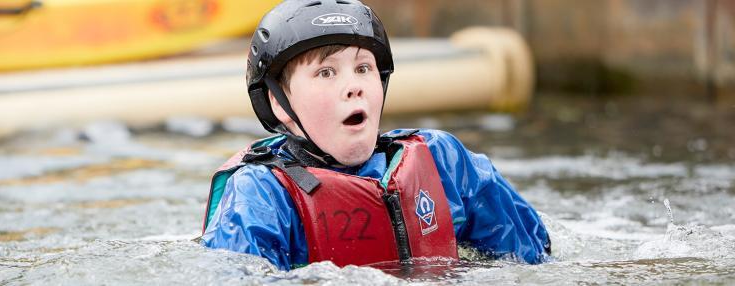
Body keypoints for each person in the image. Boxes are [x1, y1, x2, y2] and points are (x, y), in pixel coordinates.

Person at [200, 0, 551, 271]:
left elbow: (534, 261)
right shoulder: (261, 194)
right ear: (279, 103)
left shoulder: (444, 161)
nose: (353, 87)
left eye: (363, 68)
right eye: (326, 73)